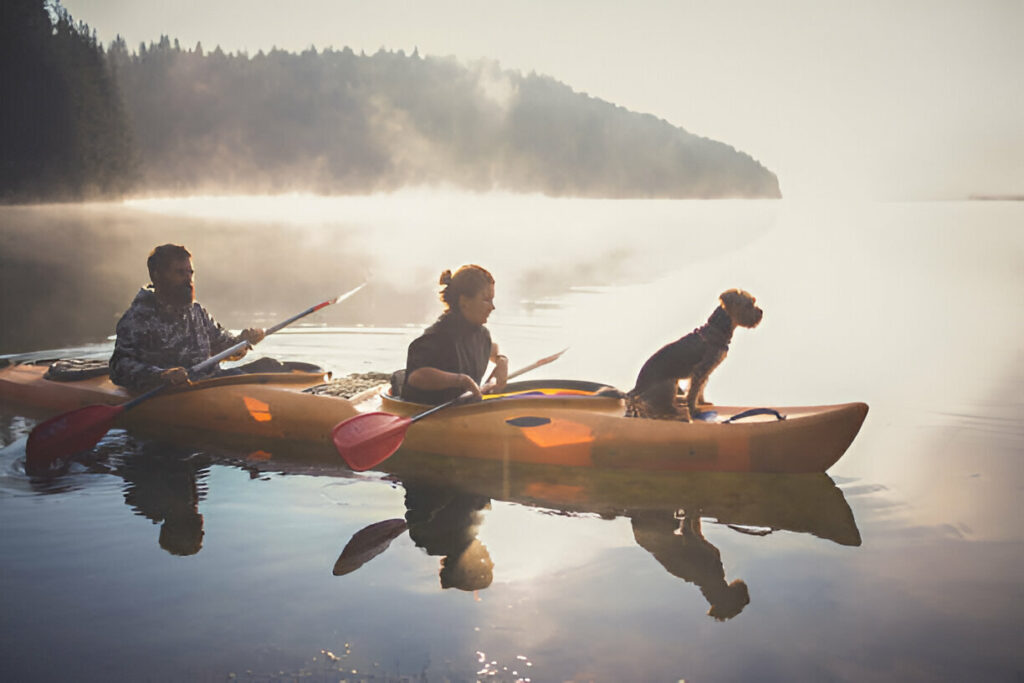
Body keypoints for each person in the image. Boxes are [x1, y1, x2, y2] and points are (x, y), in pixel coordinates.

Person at [109, 244, 269, 392]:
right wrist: (162, 376)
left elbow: (224, 348)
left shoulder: (197, 311)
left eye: (190, 272)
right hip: (175, 394)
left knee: (270, 365)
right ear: (157, 275)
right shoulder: (138, 317)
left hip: (212, 384)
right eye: (180, 273)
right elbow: (119, 368)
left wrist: (245, 340)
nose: (188, 279)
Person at [400, 265, 509, 404]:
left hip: (463, 409)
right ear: (464, 302)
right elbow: (417, 376)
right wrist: (461, 380)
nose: (492, 307)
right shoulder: (437, 337)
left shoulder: (481, 334)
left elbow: (491, 348)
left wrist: (501, 360)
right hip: (425, 410)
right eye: (486, 300)